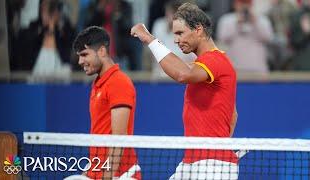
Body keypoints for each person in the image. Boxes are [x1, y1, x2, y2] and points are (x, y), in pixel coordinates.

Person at [131, 2, 238, 179]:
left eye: (180, 33)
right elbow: (232, 115)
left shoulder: (216, 61)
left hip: (212, 166)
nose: (175, 40)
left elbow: (182, 74)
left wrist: (150, 39)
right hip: (192, 162)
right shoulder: (202, 66)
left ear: (198, 30)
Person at [73, 26, 141, 179]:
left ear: (102, 51)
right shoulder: (98, 83)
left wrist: (107, 176)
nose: (80, 61)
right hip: (98, 171)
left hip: (119, 175)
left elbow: (119, 137)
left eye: (84, 55)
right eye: (79, 56)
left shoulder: (119, 82)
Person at [217, 0, 273, 74]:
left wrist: (255, 22)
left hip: (258, 68)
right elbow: (222, 38)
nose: (244, 6)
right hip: (234, 68)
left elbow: (268, 38)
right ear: (235, 4)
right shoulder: (227, 19)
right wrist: (237, 23)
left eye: (247, 4)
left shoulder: (262, 20)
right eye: (241, 3)